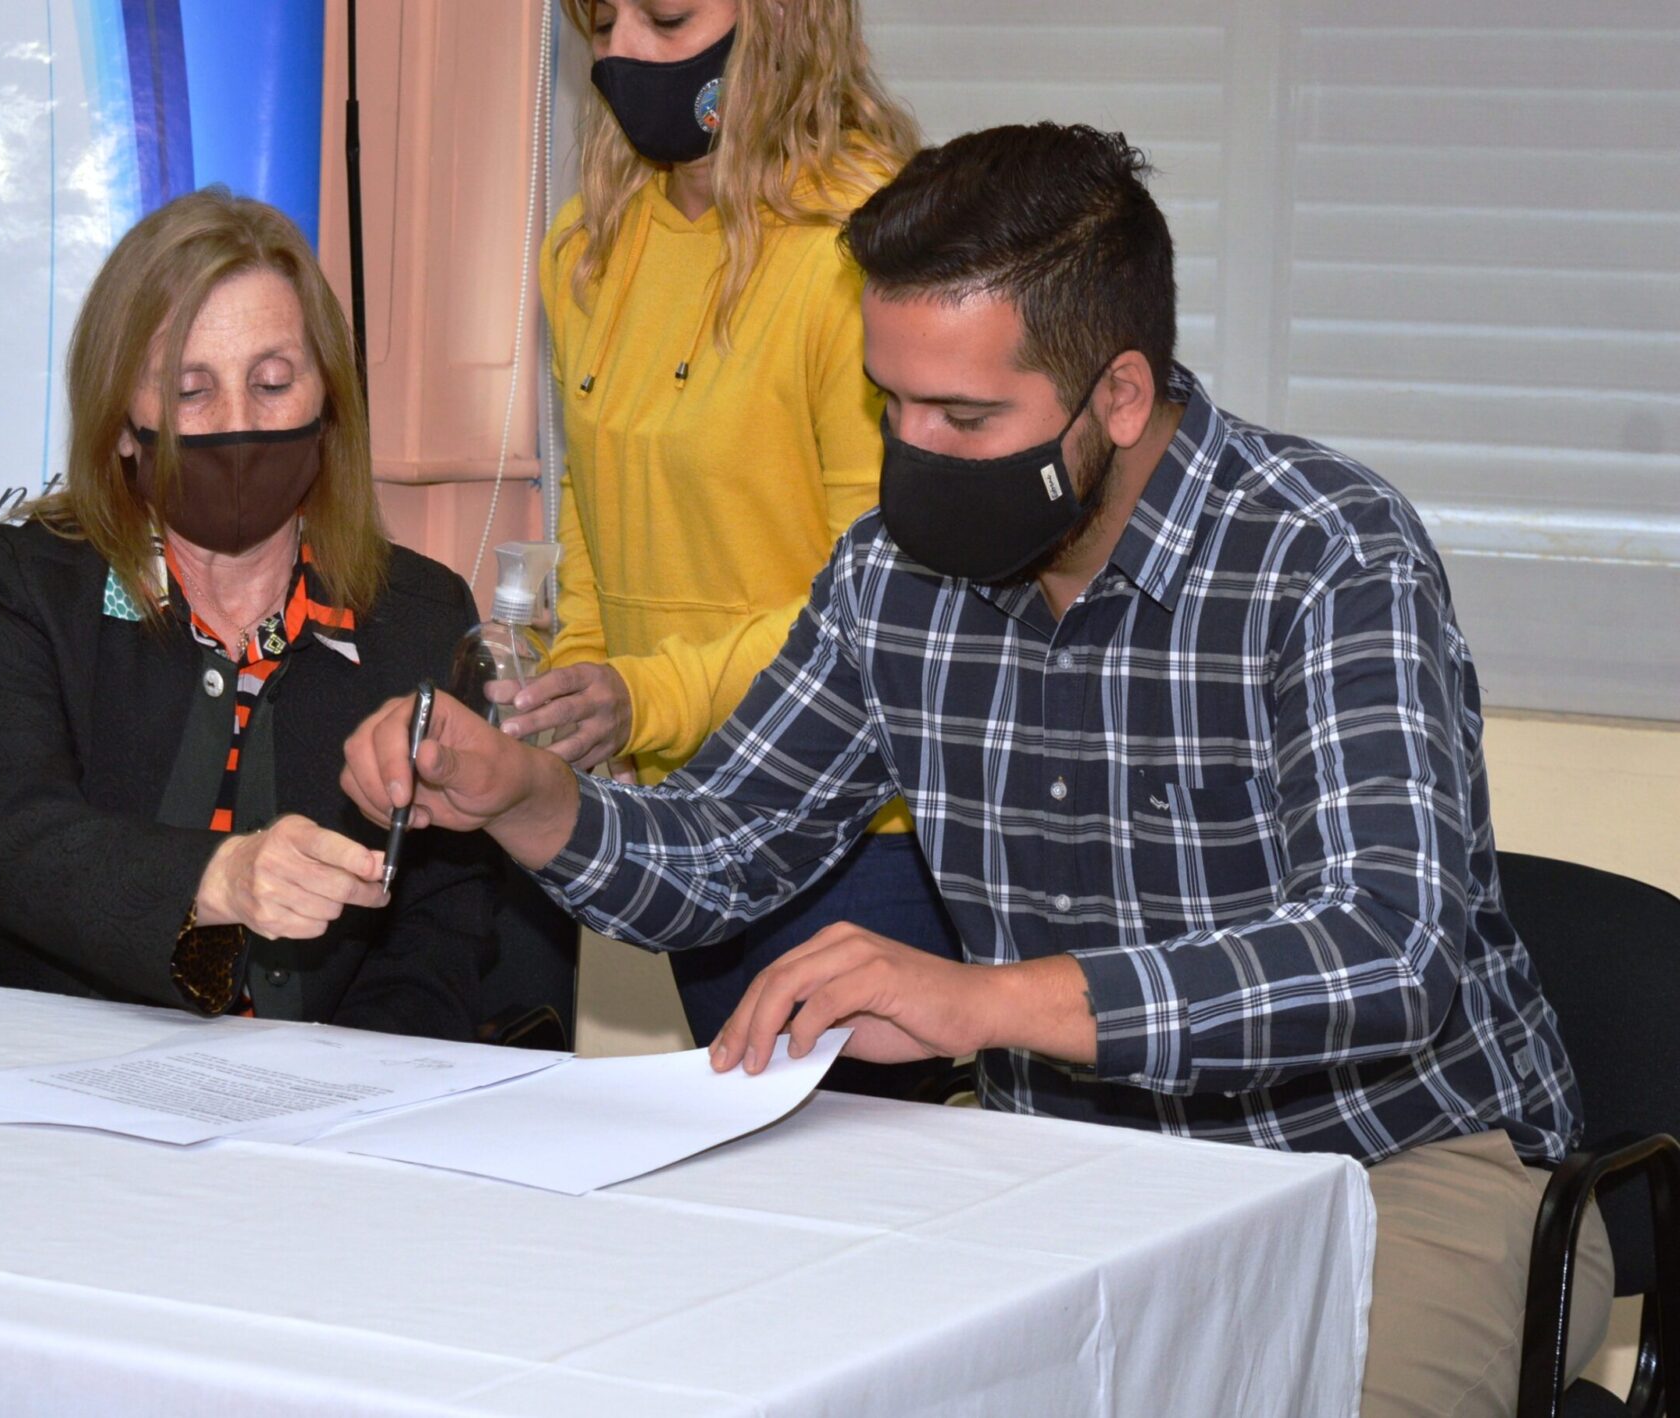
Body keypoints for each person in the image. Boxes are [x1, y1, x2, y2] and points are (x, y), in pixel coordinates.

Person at [344, 124, 1616, 1412]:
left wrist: (987, 1002)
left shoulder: (1325, 555)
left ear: (1119, 397)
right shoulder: (890, 576)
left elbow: (1383, 952)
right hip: (1058, 1168)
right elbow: (720, 853)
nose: (912, 455)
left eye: (963, 416)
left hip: (1393, 1161)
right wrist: (529, 798)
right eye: (888, 403)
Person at [506, 0, 962, 1081]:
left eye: (665, 18)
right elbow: (590, 504)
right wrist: (584, 683)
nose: (622, 54)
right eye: (601, 23)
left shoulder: (869, 252)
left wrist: (643, 694)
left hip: (863, 833)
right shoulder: (586, 248)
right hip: (686, 820)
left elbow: (874, 599)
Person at [0, 188, 494, 1039]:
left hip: (330, 1089)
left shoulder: (420, 615)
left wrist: (342, 1079)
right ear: (121, 423)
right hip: (51, 1065)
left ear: (328, 404)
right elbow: (5, 835)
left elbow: (446, 923)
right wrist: (218, 876)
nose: (239, 425)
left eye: (272, 383)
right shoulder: (22, 583)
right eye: (191, 390)